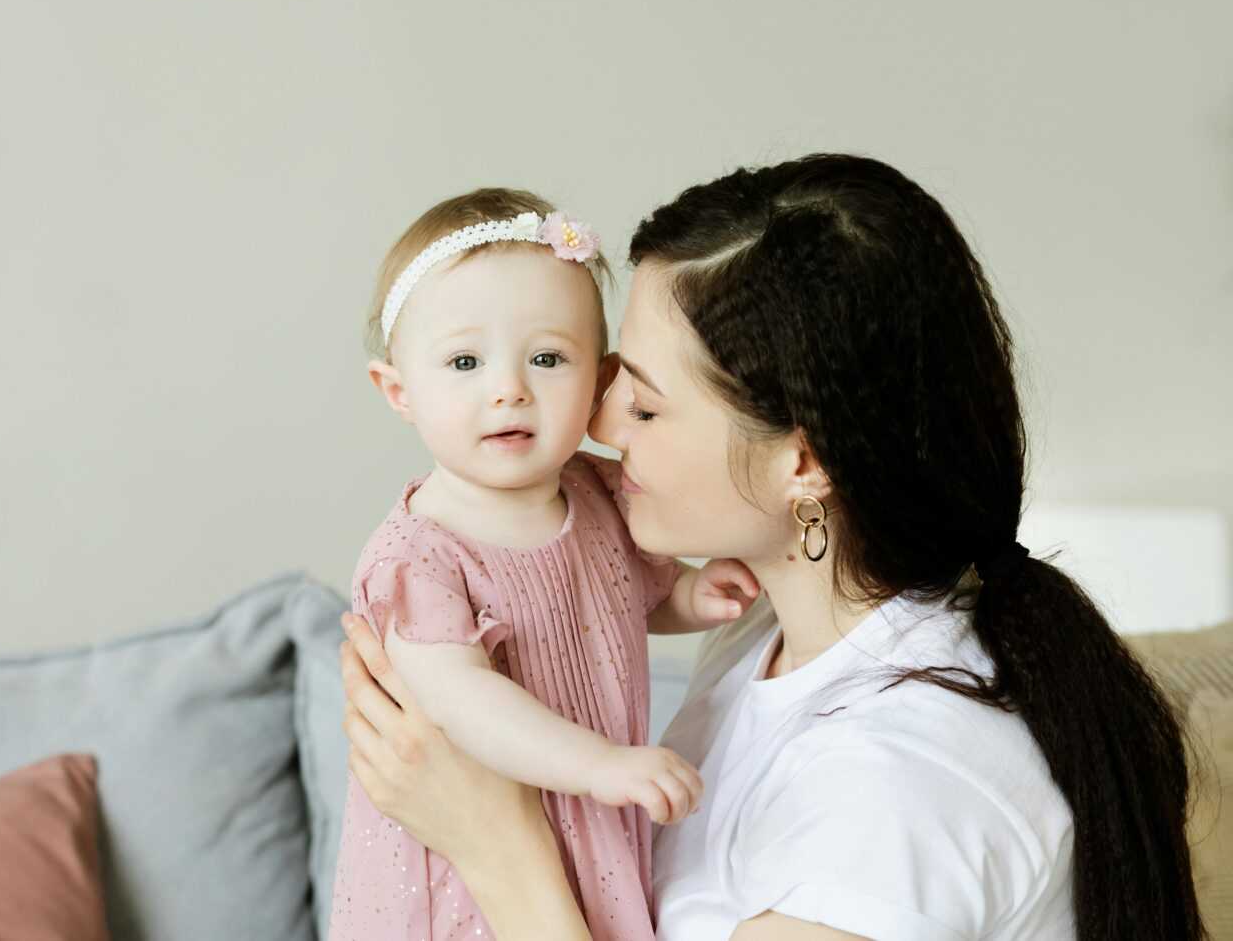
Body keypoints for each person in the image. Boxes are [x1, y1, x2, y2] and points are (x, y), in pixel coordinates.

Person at [338, 156, 1203, 940]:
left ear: (803, 462)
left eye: (643, 404)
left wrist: (497, 845)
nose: (598, 426)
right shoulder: (769, 632)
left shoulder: (892, 795)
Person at [330, 188, 760, 941]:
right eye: (465, 361)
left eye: (548, 358)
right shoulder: (418, 556)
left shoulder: (600, 494)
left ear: (600, 381)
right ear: (399, 391)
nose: (509, 389)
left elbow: (626, 598)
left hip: (590, 822)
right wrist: (600, 764)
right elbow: (460, 700)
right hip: (466, 858)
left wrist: (692, 594)